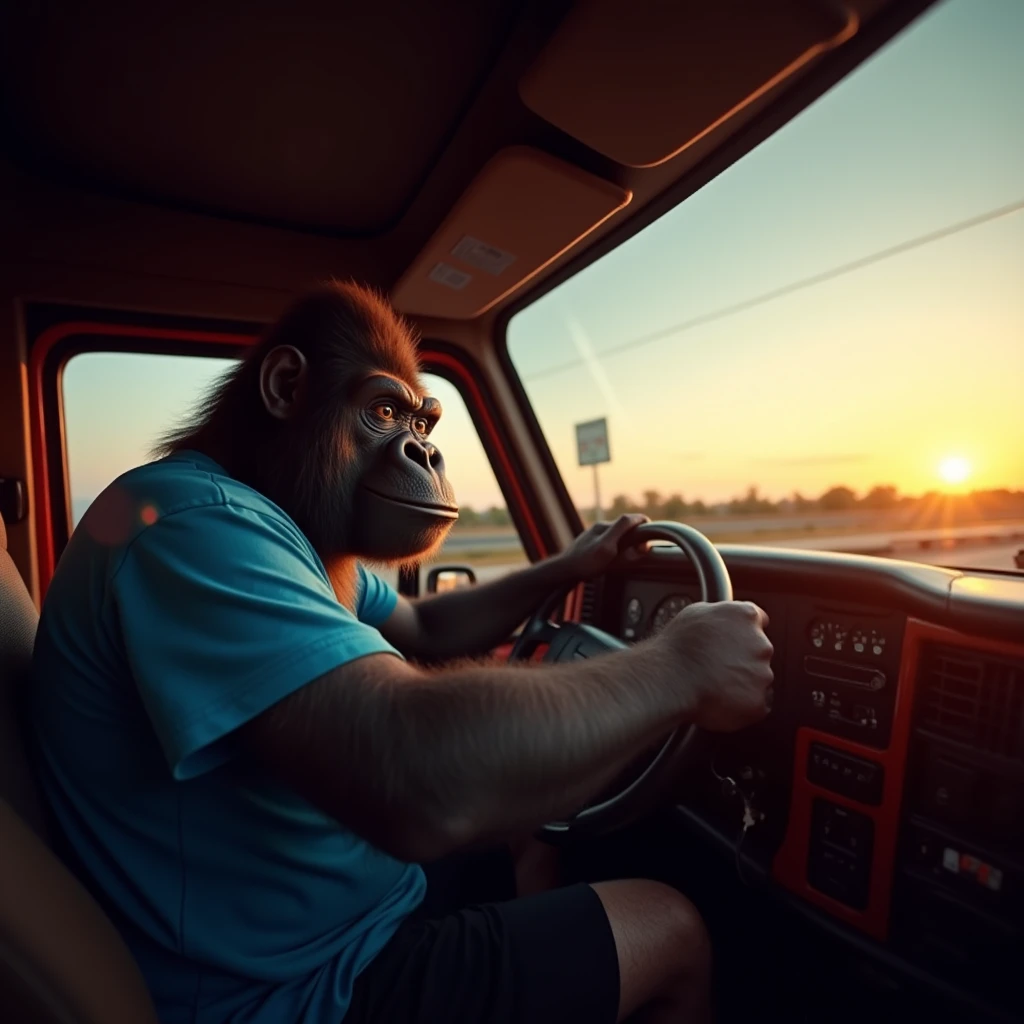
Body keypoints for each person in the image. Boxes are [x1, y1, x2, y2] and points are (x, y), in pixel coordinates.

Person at [30, 283, 773, 1024]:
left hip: (327, 916)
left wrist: (564, 569)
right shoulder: (194, 524)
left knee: (527, 829)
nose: (418, 447)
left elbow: (420, 628)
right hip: (286, 992)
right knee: (672, 930)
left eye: (422, 421)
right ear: (288, 388)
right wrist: (679, 666)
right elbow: (413, 773)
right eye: (384, 412)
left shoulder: (291, 539)